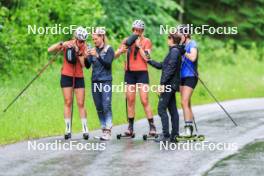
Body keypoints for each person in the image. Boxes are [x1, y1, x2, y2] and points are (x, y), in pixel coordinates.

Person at [115, 20, 156, 136]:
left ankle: (152, 126)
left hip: (142, 73)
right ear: (132, 30)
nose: (137, 32)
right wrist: (122, 50)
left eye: (139, 31)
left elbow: (147, 58)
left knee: (144, 100)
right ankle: (130, 128)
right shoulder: (127, 40)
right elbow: (116, 55)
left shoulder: (147, 41)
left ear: (142, 31)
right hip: (129, 73)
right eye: (135, 30)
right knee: (130, 100)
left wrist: (139, 47)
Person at [48, 26, 89, 139]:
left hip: (79, 76)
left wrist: (79, 53)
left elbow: (84, 66)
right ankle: (67, 129)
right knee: (68, 101)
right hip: (66, 75)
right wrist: (61, 44)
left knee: (80, 103)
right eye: (80, 40)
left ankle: (85, 129)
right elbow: (50, 50)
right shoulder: (69, 44)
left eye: (83, 41)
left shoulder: (86, 47)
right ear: (76, 38)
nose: (81, 43)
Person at [145, 33, 183, 142]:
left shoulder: (174, 51)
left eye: (168, 38)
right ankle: (174, 135)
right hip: (172, 84)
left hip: (169, 85)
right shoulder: (174, 51)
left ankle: (166, 134)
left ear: (172, 39)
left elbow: (170, 69)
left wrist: (162, 85)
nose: (167, 40)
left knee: (161, 109)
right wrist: (149, 60)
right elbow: (162, 65)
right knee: (172, 110)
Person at [82, 28, 115, 141]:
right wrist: (86, 57)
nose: (94, 41)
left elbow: (108, 64)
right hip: (95, 81)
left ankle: (108, 130)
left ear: (102, 37)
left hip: (106, 81)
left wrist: (97, 56)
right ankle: (103, 130)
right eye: (93, 39)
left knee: (106, 106)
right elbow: (87, 66)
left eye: (96, 39)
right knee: (99, 107)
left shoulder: (109, 49)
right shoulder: (93, 49)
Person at [179, 25, 199, 137]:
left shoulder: (192, 44)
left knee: (184, 102)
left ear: (185, 35)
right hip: (181, 77)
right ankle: (189, 128)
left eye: (180, 34)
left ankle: (187, 129)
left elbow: (193, 58)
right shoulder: (181, 45)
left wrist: (184, 52)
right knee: (187, 103)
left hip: (191, 76)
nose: (178, 36)